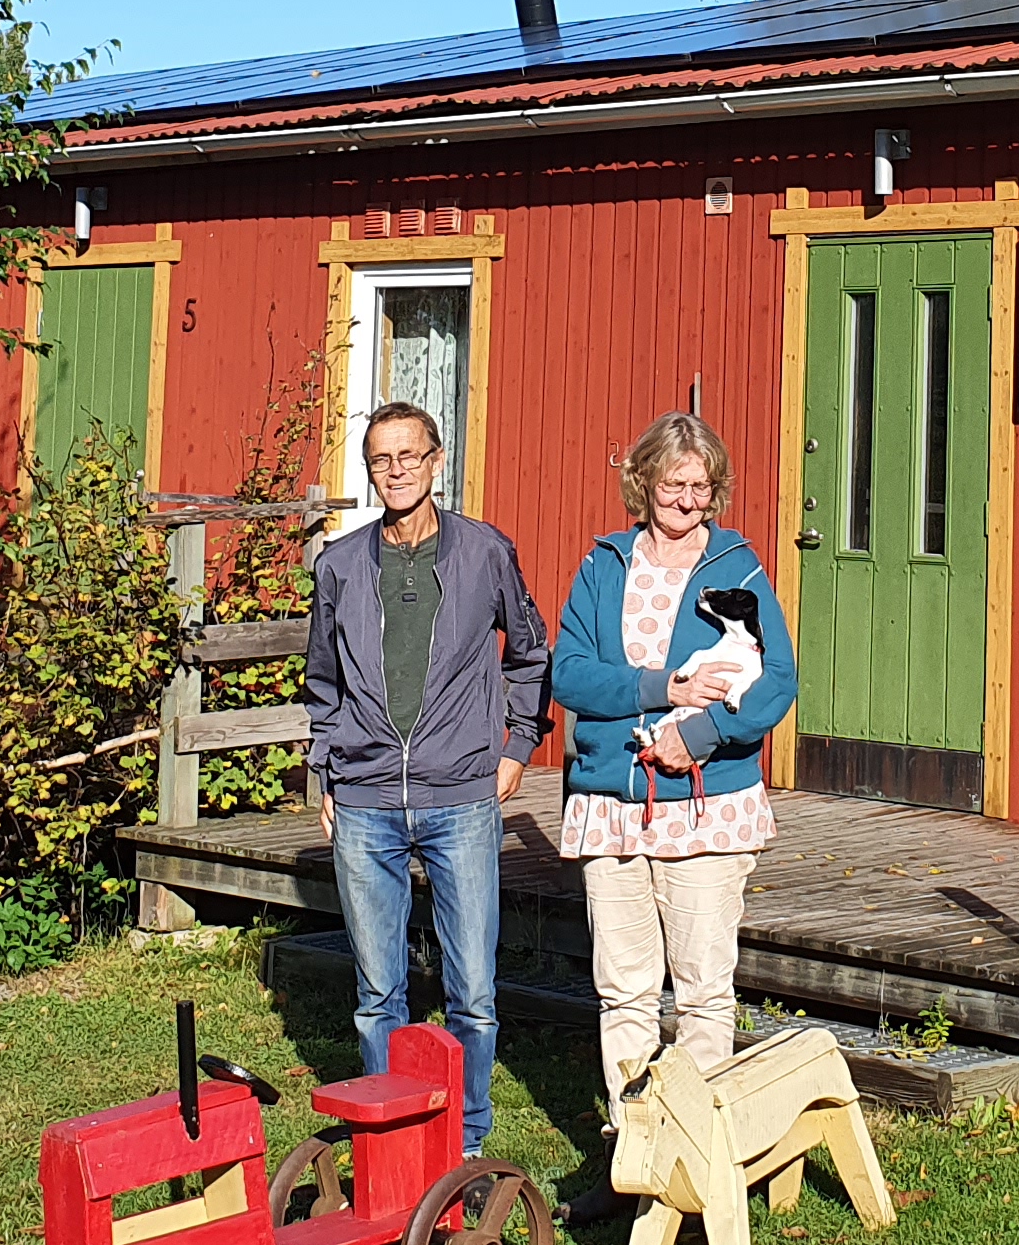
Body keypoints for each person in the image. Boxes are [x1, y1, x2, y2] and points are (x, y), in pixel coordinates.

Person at [297, 401, 548, 1159]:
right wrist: (328, 775)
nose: (396, 470)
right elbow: (322, 681)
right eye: (381, 459)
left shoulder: (484, 553)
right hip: (366, 799)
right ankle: (390, 1136)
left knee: (471, 992)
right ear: (369, 470)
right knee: (379, 997)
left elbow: (529, 653)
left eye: (410, 456)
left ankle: (465, 1140)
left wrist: (517, 746)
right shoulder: (340, 565)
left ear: (438, 462)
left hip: (462, 794)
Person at [548, 411, 799, 1119]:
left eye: (702, 486)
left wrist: (706, 732)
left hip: (703, 805)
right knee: (623, 991)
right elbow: (568, 673)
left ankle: (698, 1155)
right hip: (614, 803)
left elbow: (777, 678)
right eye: (673, 485)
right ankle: (634, 1149)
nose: (688, 501)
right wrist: (663, 690)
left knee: (701, 991)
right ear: (643, 482)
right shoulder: (604, 567)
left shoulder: (736, 568)